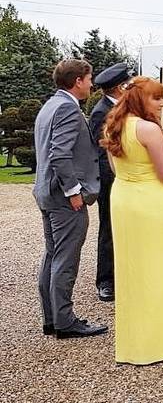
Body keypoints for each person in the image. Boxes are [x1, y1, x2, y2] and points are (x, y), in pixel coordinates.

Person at [101, 77, 163, 365]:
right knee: (155, 268)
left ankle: (132, 342)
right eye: (156, 98)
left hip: (123, 198)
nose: (161, 103)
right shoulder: (148, 129)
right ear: (140, 100)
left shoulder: (114, 127)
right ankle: (155, 343)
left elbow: (114, 168)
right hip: (150, 201)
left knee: (131, 269)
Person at [32, 59, 107, 339]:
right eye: (89, 79)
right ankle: (65, 321)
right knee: (65, 258)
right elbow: (59, 154)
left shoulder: (49, 105)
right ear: (77, 81)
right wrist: (73, 191)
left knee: (52, 255)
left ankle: (52, 319)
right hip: (63, 199)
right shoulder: (66, 107)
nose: (91, 84)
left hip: (45, 193)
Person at [87, 62, 132, 302]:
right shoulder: (100, 111)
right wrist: (115, 177)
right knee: (109, 229)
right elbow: (99, 151)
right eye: (126, 84)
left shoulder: (125, 108)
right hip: (111, 180)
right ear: (119, 88)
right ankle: (105, 281)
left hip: (128, 177)